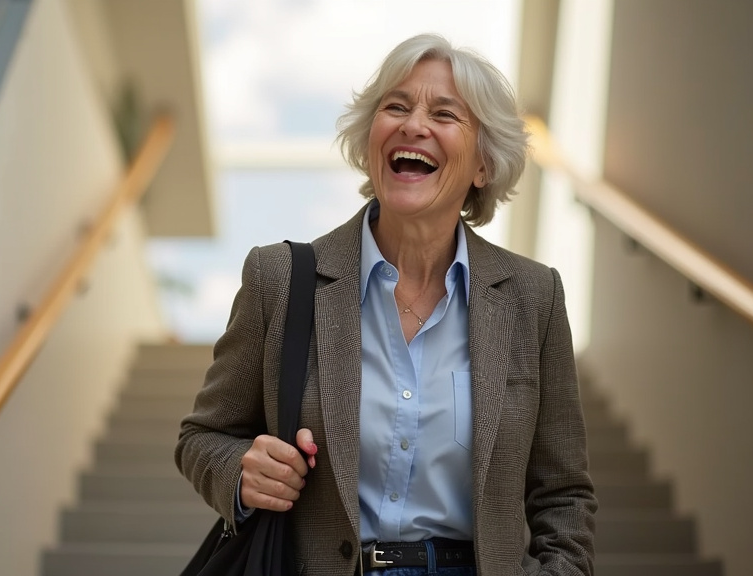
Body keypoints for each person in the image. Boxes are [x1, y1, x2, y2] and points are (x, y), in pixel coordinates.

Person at [176, 33, 596, 576]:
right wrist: (242, 471)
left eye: (444, 114)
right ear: (370, 141)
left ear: (483, 165)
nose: (413, 125)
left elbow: (563, 492)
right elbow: (201, 437)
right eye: (396, 107)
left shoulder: (533, 298)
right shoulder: (278, 279)